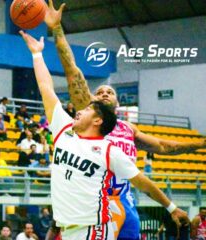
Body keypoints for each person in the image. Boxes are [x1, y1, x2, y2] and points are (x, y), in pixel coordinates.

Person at [43, 1, 206, 238]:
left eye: (110, 92)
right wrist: (57, 30)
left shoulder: (128, 128)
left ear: (118, 104)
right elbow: (71, 68)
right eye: (99, 92)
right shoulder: (89, 118)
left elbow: (163, 146)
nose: (105, 93)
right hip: (89, 201)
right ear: (92, 102)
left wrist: (201, 144)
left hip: (124, 201)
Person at [19, 29, 189, 239]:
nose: (79, 110)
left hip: (94, 229)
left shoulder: (109, 151)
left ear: (98, 120)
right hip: (68, 229)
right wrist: (37, 54)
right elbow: (46, 87)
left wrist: (172, 208)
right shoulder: (64, 128)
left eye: (88, 109)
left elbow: (143, 183)